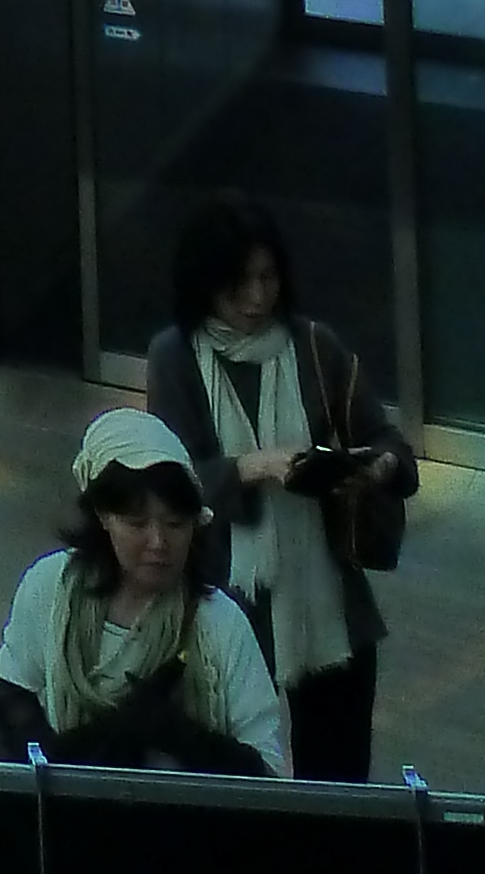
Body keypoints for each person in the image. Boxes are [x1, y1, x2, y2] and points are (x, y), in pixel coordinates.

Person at [146, 191, 416, 782]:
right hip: (229, 609)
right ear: (204, 283)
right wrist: (255, 466)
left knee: (339, 786)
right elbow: (171, 482)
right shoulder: (176, 358)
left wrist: (374, 470)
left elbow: (391, 444)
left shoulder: (314, 346)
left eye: (268, 278)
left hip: (330, 611)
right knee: (238, 782)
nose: (256, 298)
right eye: (238, 283)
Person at [0, 409, 288, 776]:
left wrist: (179, 734)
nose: (159, 543)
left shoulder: (220, 624)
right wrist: (65, 755)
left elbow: (270, 771)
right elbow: (13, 690)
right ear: (102, 516)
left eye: (176, 524)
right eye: (136, 523)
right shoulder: (49, 587)